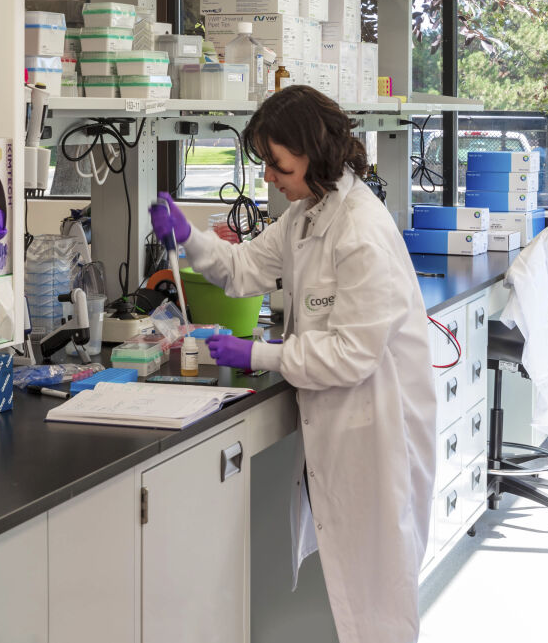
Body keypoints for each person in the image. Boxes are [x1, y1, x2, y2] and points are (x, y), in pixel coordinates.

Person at [149, 85, 435, 643]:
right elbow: (242, 268)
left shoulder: (361, 231)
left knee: (377, 597)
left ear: (312, 150)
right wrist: (189, 237)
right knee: (346, 592)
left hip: (377, 431)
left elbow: (352, 354)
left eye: (277, 163)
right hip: (342, 422)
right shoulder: (309, 215)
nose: (270, 178)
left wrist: (256, 353)